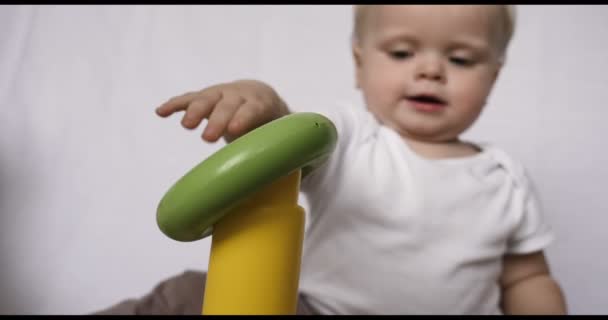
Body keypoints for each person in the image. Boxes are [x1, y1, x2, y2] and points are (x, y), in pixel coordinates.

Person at [96, 5, 567, 315]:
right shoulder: (352, 136)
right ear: (360, 65)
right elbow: (285, 133)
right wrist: (256, 99)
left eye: (461, 60)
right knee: (188, 294)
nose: (430, 70)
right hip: (316, 310)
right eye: (402, 52)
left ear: (494, 76)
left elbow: (526, 275)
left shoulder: (504, 177)